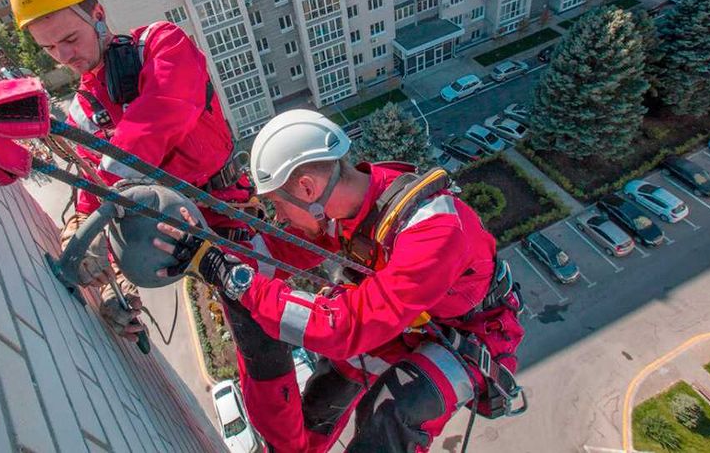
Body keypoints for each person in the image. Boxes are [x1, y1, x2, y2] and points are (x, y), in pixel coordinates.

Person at [9, 0, 306, 447]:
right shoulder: (84, 111)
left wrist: (103, 190)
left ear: (97, 13)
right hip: (181, 231)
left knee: (270, 326)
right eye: (49, 48)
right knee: (254, 339)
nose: (64, 56)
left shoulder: (163, 45)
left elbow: (163, 112)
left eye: (70, 39)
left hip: (232, 213)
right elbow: (90, 205)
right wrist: (104, 282)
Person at [155, 109, 526, 452]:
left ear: (305, 188)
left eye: (278, 206)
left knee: (390, 415)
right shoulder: (354, 202)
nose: (279, 218)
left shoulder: (434, 231)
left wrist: (233, 278)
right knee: (326, 390)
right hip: (413, 323)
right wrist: (217, 249)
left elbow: (344, 326)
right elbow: (286, 249)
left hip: (470, 337)